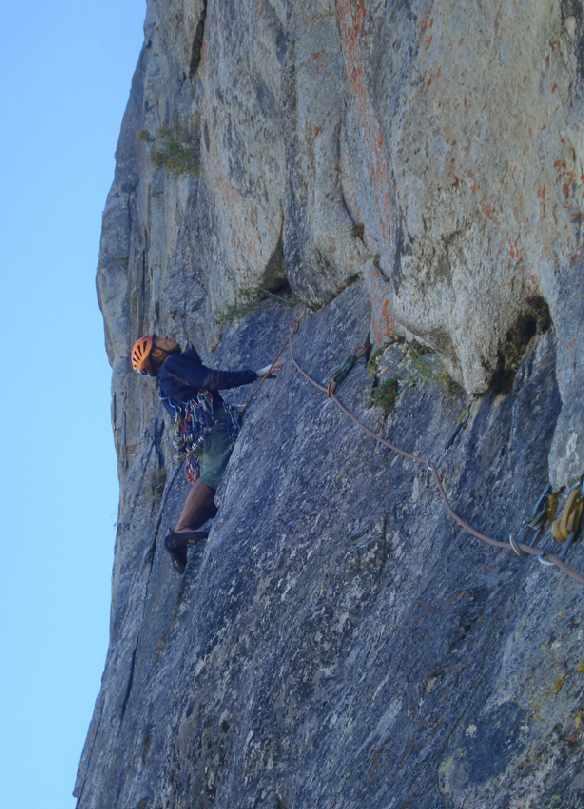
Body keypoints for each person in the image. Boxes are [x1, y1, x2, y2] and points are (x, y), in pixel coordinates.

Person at [131, 335, 281, 572]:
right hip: (213, 428)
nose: (166, 338)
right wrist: (255, 373)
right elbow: (211, 379)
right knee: (211, 478)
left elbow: (196, 399)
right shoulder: (172, 365)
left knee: (210, 499)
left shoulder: (164, 385)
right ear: (157, 354)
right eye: (158, 341)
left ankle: (180, 536)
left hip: (200, 437)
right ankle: (179, 533)